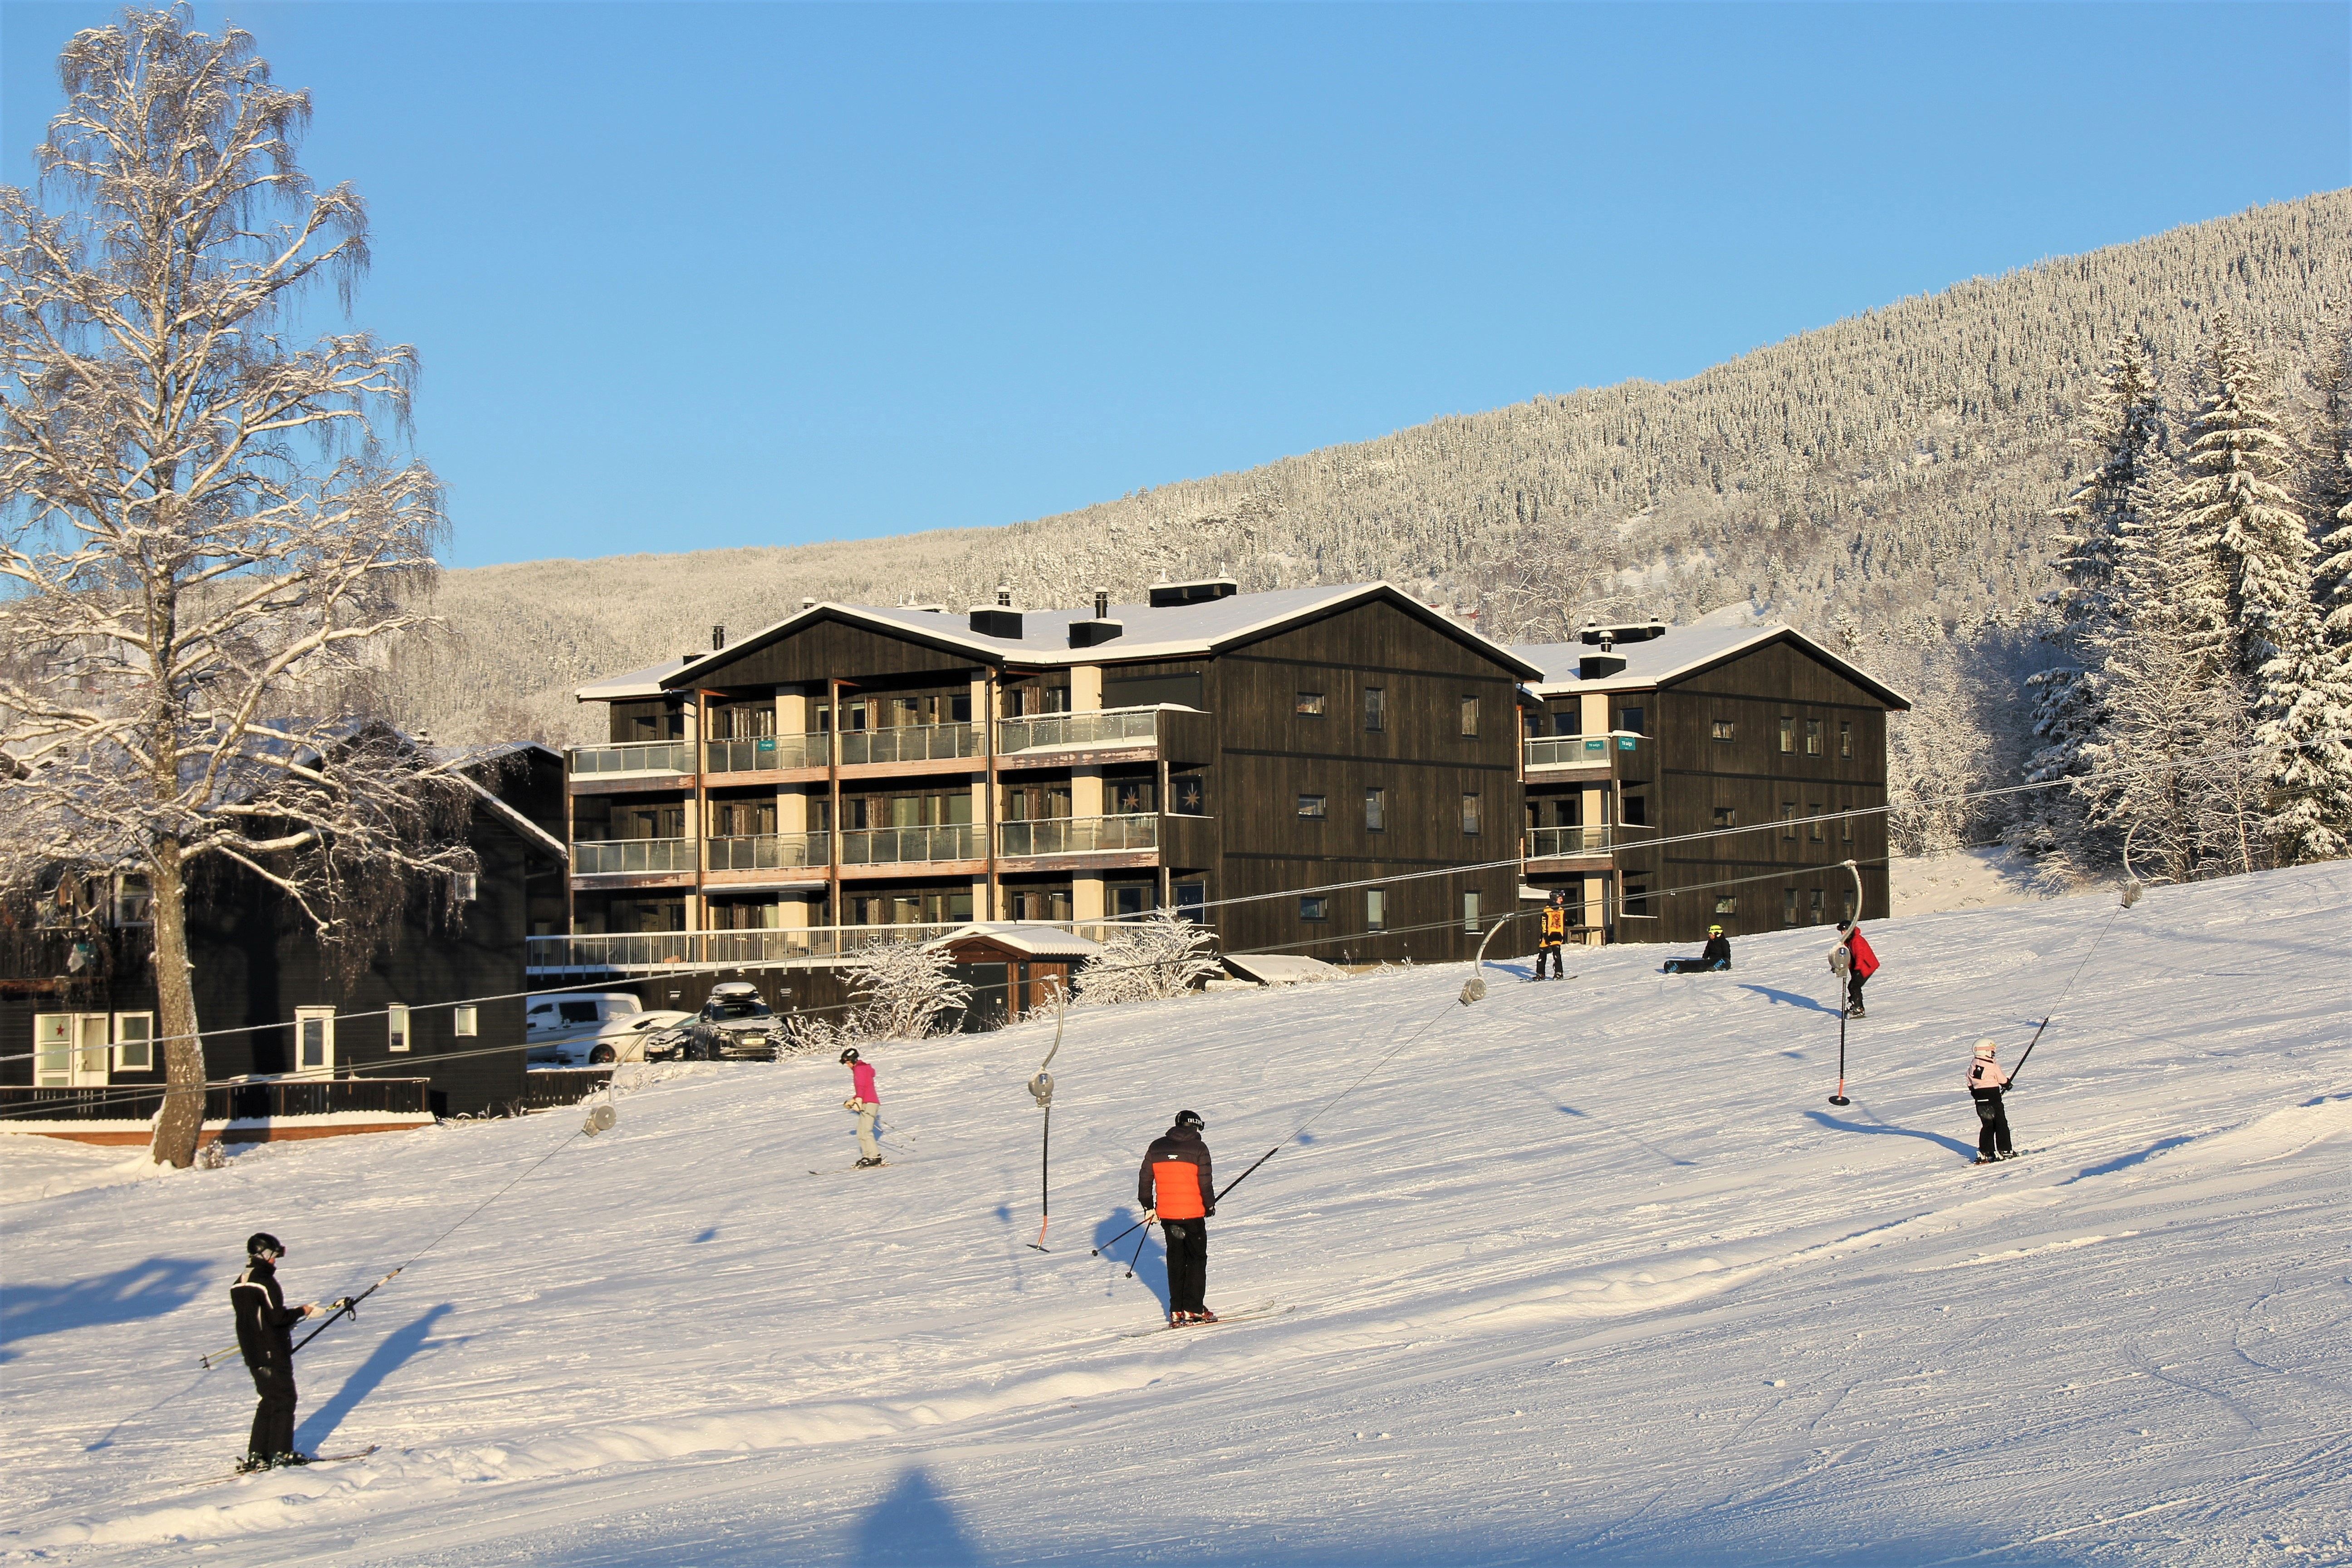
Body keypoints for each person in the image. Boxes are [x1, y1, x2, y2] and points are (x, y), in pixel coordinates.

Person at [230, 1233, 335, 1472]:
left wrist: (287, 1322)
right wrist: (303, 1311)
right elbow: (276, 1317)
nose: (275, 1261)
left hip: (253, 1353)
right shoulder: (264, 1282)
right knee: (285, 1399)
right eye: (274, 1255)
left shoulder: (239, 1282)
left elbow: (260, 1319)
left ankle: (258, 1454)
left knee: (269, 1400)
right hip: (271, 1352)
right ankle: (281, 1453)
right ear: (264, 1254)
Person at [1138, 1109, 1216, 1326]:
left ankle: (1176, 1311)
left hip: (1168, 1216)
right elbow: (1205, 1183)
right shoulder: (1199, 1148)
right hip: (1192, 1215)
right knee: (1196, 1260)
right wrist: (1209, 1205)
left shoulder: (1157, 1147)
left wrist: (1148, 1207)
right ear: (1196, 1127)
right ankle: (1193, 1309)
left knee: (1176, 1260)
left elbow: (1145, 1180)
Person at [1965, 1039, 2014, 1164]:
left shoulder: (1973, 1065)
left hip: (1980, 1101)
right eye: (1992, 1051)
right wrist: (2008, 1084)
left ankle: (1986, 1152)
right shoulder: (1992, 1065)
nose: (1994, 1054)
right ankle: (2005, 1150)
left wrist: (1975, 1092)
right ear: (1986, 1051)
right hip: (1993, 1099)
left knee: (1987, 1126)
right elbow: (2002, 1079)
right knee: (2001, 1124)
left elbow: (1969, 1081)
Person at [839, 1048, 883, 1167]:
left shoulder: (859, 1069)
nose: (847, 1066)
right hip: (867, 1101)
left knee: (866, 1131)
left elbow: (862, 1087)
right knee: (861, 1131)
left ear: (853, 1060)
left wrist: (858, 1100)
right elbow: (863, 1087)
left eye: (848, 1063)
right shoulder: (862, 1069)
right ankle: (868, 1156)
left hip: (869, 1102)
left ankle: (875, 1157)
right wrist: (854, 1100)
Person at [1832, 920, 1879, 1017]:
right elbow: (1847, 956)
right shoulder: (1849, 940)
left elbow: (1860, 956)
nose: (1843, 933)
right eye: (1842, 931)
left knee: (1854, 986)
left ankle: (1859, 1009)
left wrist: (1857, 970)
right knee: (1853, 986)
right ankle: (1856, 1005)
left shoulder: (1857, 940)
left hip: (1866, 966)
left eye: (1845, 931)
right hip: (1861, 966)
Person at [1662, 924, 1733, 975]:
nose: (1710, 935)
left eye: (1711, 934)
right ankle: (1679, 967)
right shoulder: (1711, 942)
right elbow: (1707, 951)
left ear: (1717, 934)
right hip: (1711, 961)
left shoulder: (1724, 942)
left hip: (1720, 962)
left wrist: (1727, 962)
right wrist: (1704, 959)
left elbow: (1727, 953)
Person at [1532, 890, 1569, 980]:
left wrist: (1563, 935)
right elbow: (1543, 924)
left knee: (1557, 956)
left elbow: (1563, 924)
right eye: (1560, 899)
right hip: (1547, 936)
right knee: (1542, 956)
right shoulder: (1547, 911)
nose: (1562, 900)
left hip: (1557, 936)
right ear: (1554, 899)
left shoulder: (1561, 911)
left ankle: (1559, 973)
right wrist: (1545, 936)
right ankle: (1540, 974)